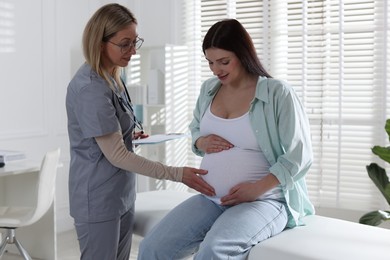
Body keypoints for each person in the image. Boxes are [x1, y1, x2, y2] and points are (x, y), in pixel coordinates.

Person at [138, 18, 315, 260]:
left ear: (243, 55)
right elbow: (195, 129)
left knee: (213, 250)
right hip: (210, 198)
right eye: (210, 62)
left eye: (224, 62)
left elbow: (299, 155)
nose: (216, 70)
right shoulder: (209, 89)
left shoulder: (277, 93)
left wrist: (256, 189)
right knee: (152, 248)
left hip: (263, 201)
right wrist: (202, 142)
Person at [65, 3, 215, 260]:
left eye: (135, 42)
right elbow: (117, 156)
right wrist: (177, 174)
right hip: (98, 198)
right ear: (100, 42)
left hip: (120, 194)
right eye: (125, 43)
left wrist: (128, 135)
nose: (133, 51)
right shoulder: (91, 88)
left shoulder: (113, 76)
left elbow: (111, 131)